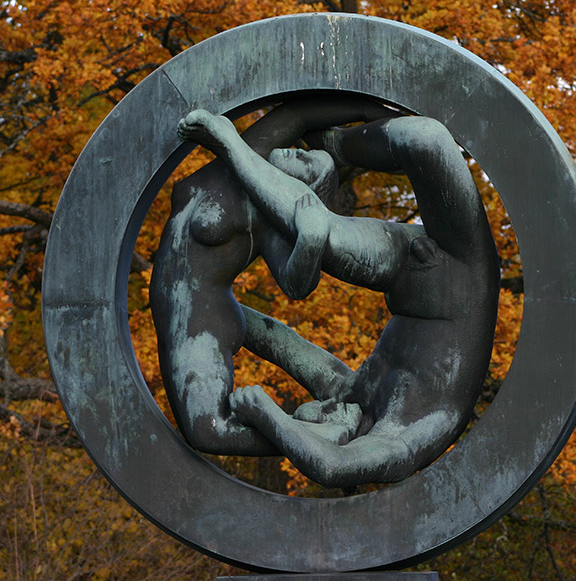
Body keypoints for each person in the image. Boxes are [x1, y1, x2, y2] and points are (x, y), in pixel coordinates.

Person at [174, 108, 500, 488]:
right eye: (317, 417)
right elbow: (332, 468)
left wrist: (199, 296)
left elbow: (277, 339)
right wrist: (267, 414)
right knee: (425, 138)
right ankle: (338, 148)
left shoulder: (345, 393)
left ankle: (236, 145)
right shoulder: (404, 437)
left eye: (306, 412)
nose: (318, 407)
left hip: (409, 275)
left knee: (318, 233)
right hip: (465, 271)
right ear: (341, 434)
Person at [149, 97, 399, 456]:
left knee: (209, 432)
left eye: (306, 163)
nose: (296, 153)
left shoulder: (267, 227)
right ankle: (320, 432)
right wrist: (384, 116)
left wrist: (311, 240)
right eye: (304, 152)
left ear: (297, 190)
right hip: (173, 306)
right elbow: (299, 113)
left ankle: (323, 435)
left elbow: (297, 286)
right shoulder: (245, 152)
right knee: (207, 430)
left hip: (201, 318)